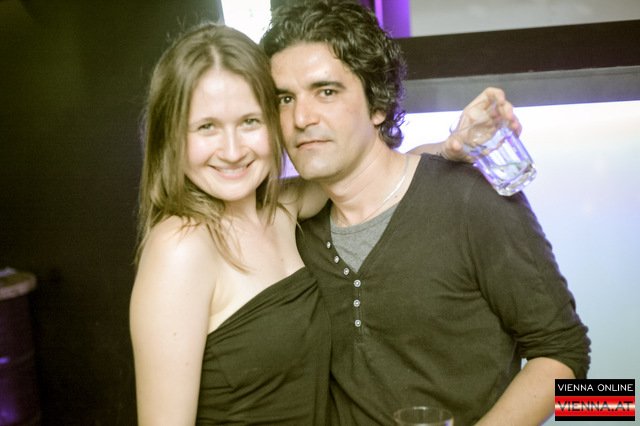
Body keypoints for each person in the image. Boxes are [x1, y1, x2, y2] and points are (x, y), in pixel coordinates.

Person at [129, 21, 479, 425]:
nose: (232, 150)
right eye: (207, 127)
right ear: (172, 137)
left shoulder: (280, 207)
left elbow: (368, 170)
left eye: (249, 122)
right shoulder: (180, 248)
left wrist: (451, 146)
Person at [261, 1, 591, 425]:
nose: (301, 118)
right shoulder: (291, 229)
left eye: (326, 92)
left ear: (377, 105)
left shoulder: (469, 198)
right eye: (285, 98)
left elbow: (564, 353)